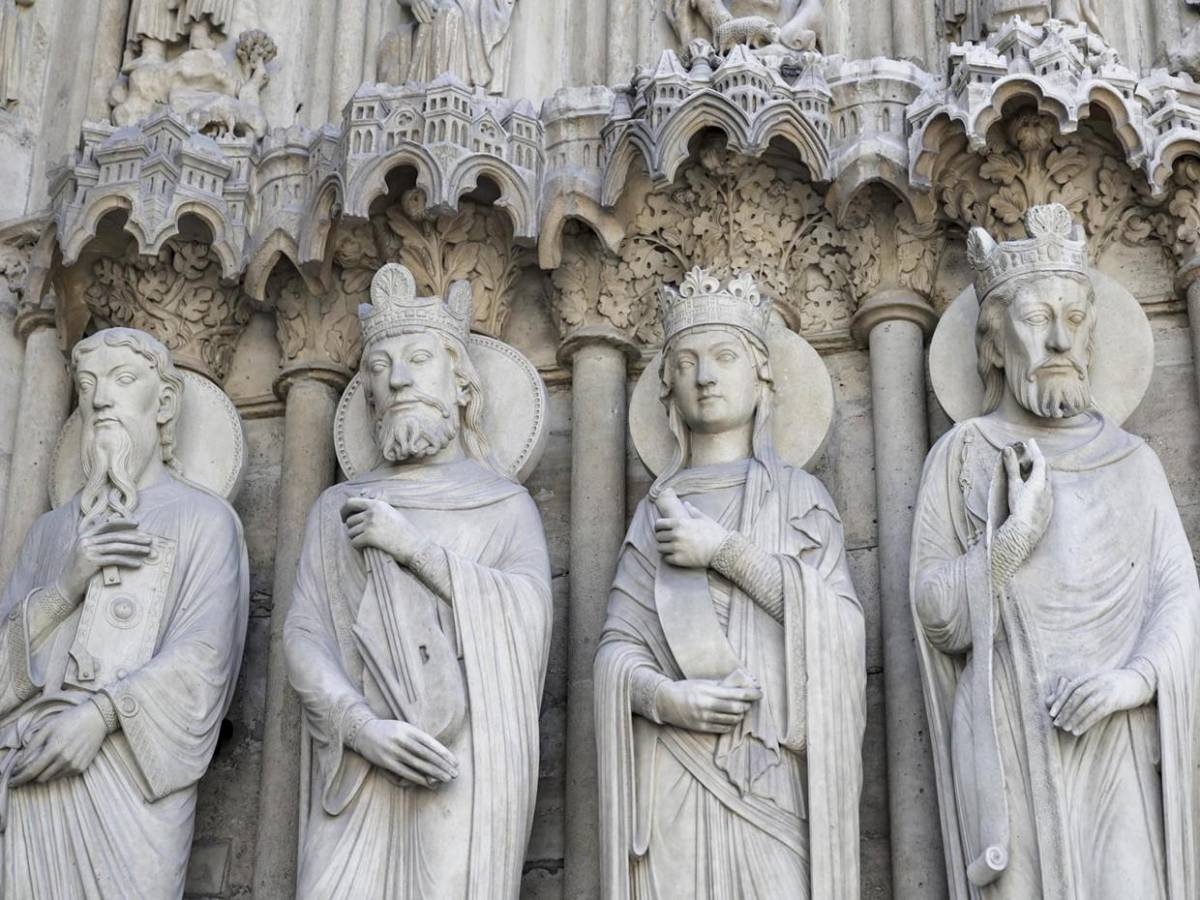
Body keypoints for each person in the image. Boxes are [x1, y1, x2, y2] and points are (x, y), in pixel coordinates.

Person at [911, 204, 1200, 899]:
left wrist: (1131, 681)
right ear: (991, 344)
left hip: (1117, 739)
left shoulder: (1133, 461)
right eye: (1038, 319)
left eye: (1075, 319)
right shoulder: (962, 456)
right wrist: (1012, 540)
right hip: (1009, 734)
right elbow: (934, 612)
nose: (1060, 338)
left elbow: (1178, 594)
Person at [595, 268, 864, 899]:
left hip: (770, 770)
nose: (705, 377)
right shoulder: (656, 511)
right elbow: (615, 650)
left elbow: (842, 631)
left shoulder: (801, 498)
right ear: (668, 387)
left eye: (723, 357)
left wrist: (724, 552)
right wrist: (665, 699)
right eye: (685, 362)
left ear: (762, 373)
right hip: (673, 770)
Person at [285, 264, 552, 899]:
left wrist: (412, 549)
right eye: (379, 366)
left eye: (419, 358)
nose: (397, 378)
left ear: (462, 382)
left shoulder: (505, 505)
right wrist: (359, 727)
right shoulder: (337, 507)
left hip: (459, 764)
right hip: (356, 765)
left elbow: (530, 620)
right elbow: (303, 635)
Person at [0, 327, 248, 898]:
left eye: (123, 380)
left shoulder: (202, 520)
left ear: (163, 403)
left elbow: (205, 659)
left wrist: (98, 717)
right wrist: (65, 585)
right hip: (32, 767)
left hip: (125, 780)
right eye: (87, 385)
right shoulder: (50, 531)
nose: (101, 398)